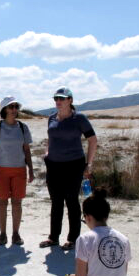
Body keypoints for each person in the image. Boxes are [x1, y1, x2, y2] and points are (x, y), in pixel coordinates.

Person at [39, 87, 97, 251]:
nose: (58, 101)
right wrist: (47, 153)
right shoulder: (51, 118)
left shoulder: (79, 118)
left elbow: (92, 140)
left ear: (70, 100)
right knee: (56, 201)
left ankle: (73, 239)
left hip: (74, 164)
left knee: (71, 200)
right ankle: (53, 237)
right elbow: (51, 138)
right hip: (54, 165)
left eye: (62, 99)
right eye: (56, 98)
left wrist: (89, 163)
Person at [0, 96, 34, 246]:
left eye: (16, 107)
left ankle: (15, 234)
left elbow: (27, 150)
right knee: (2, 202)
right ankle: (2, 234)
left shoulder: (23, 127)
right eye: (11, 107)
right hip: (1, 170)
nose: (14, 110)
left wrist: (31, 170)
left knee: (17, 202)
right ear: (4, 110)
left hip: (19, 169)